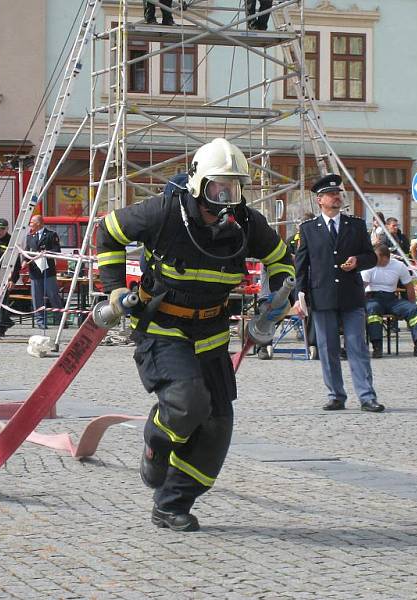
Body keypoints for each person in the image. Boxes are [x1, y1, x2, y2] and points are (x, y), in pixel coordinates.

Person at [97, 138, 294, 532]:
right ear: (198, 184)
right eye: (217, 189)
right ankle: (156, 445)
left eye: (233, 189)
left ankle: (171, 504)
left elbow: (279, 257)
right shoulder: (164, 213)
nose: (224, 200)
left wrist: (280, 294)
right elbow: (109, 232)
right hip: (162, 327)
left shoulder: (247, 224)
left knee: (217, 427)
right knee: (187, 402)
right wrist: (116, 289)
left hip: (212, 334)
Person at [294, 173, 382, 413]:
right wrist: (298, 298)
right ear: (320, 200)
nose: (337, 197)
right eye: (332, 194)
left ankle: (367, 396)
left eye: (338, 194)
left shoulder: (354, 225)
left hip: (351, 296)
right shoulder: (309, 229)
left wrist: (357, 261)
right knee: (327, 347)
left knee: (357, 345)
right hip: (322, 296)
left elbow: (371, 256)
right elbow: (301, 266)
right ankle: (335, 395)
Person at [361, 244, 417, 358]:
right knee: (372, 310)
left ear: (386, 257)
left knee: (415, 310)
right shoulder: (369, 266)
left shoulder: (399, 266)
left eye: (377, 258)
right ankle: (377, 346)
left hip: (391, 298)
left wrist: (412, 304)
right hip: (373, 297)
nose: (373, 260)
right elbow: (362, 287)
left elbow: (409, 287)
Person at [26, 215, 64, 328]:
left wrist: (46, 253)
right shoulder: (30, 236)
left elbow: (57, 250)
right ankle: (40, 321)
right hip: (34, 271)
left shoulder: (51, 235)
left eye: (32, 222)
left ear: (39, 223)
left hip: (48, 270)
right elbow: (27, 251)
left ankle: (60, 319)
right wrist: (24, 261)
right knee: (37, 297)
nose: (30, 224)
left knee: (53, 295)